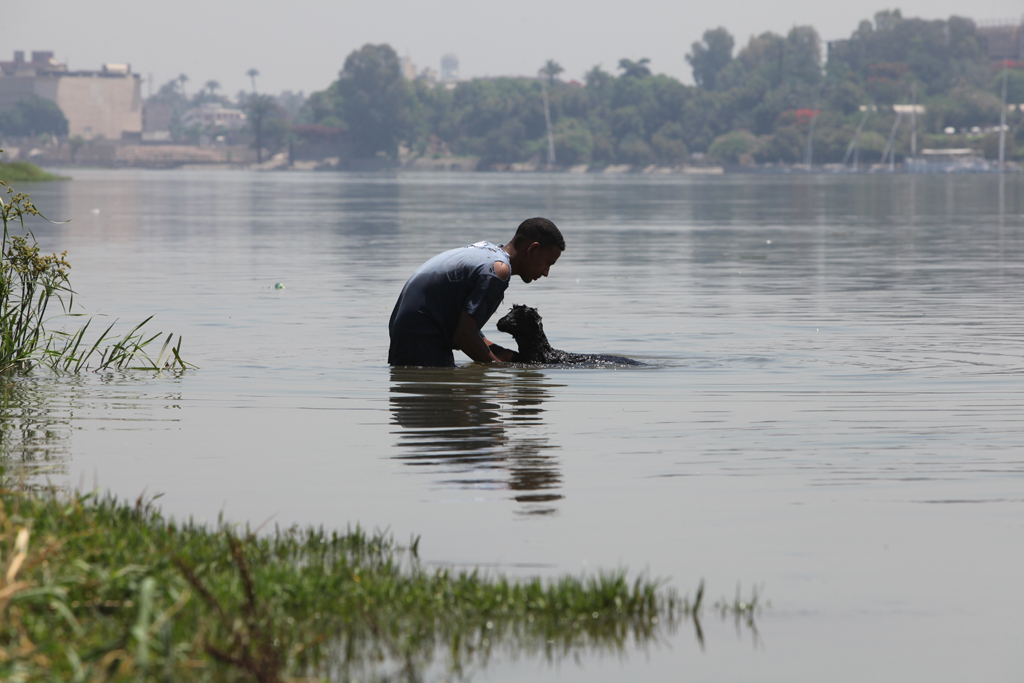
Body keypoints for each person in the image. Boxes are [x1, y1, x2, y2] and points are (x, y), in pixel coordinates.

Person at [388, 217, 564, 367]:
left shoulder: (485, 250)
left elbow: (466, 327)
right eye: (548, 262)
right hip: (423, 340)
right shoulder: (498, 271)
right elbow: (464, 335)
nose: (546, 272)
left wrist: (502, 354)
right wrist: (500, 371)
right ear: (533, 249)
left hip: (405, 335)